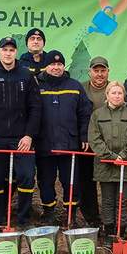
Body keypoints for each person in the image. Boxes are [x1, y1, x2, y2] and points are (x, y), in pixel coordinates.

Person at [0, 36, 41, 232]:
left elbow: (35, 107)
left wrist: (29, 135)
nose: (8, 53)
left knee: (26, 176)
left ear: (15, 52)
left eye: (11, 50)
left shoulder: (26, 75)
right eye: (4, 50)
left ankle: (23, 220)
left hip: (21, 139)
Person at [35, 50, 91, 224]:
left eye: (59, 64)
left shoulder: (75, 86)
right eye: (52, 64)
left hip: (70, 144)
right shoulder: (36, 85)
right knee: (46, 181)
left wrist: (84, 136)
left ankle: (71, 215)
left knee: (71, 181)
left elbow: (84, 113)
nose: (56, 67)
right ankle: (49, 213)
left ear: (63, 66)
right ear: (46, 66)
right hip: (45, 145)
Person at [88, 81, 127, 247]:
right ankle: (109, 231)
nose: (117, 96)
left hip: (126, 164)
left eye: (120, 93)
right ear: (107, 95)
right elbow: (94, 139)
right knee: (107, 200)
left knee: (123, 200)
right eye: (113, 93)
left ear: (124, 95)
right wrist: (111, 156)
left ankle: (122, 229)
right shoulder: (97, 115)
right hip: (105, 164)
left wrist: (124, 155)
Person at [79, 56, 110, 225]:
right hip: (87, 145)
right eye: (96, 71)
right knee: (86, 182)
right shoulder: (81, 89)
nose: (99, 74)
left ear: (108, 71)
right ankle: (92, 218)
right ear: (89, 71)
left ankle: (110, 218)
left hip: (109, 145)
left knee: (108, 182)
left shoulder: (115, 89)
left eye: (102, 70)